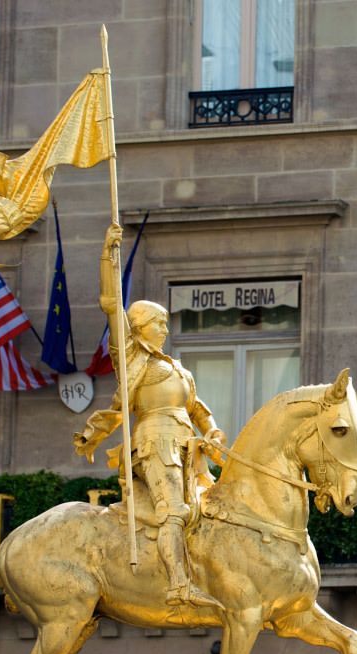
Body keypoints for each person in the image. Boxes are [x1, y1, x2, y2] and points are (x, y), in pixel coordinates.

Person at [75, 224, 225, 609]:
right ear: (139, 327)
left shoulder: (177, 368)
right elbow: (110, 303)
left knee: (213, 508)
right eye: (158, 322)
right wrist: (108, 255)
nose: (165, 327)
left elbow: (196, 407)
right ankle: (178, 584)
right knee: (174, 510)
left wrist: (212, 430)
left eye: (164, 322)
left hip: (189, 447)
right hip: (154, 443)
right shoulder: (130, 356)